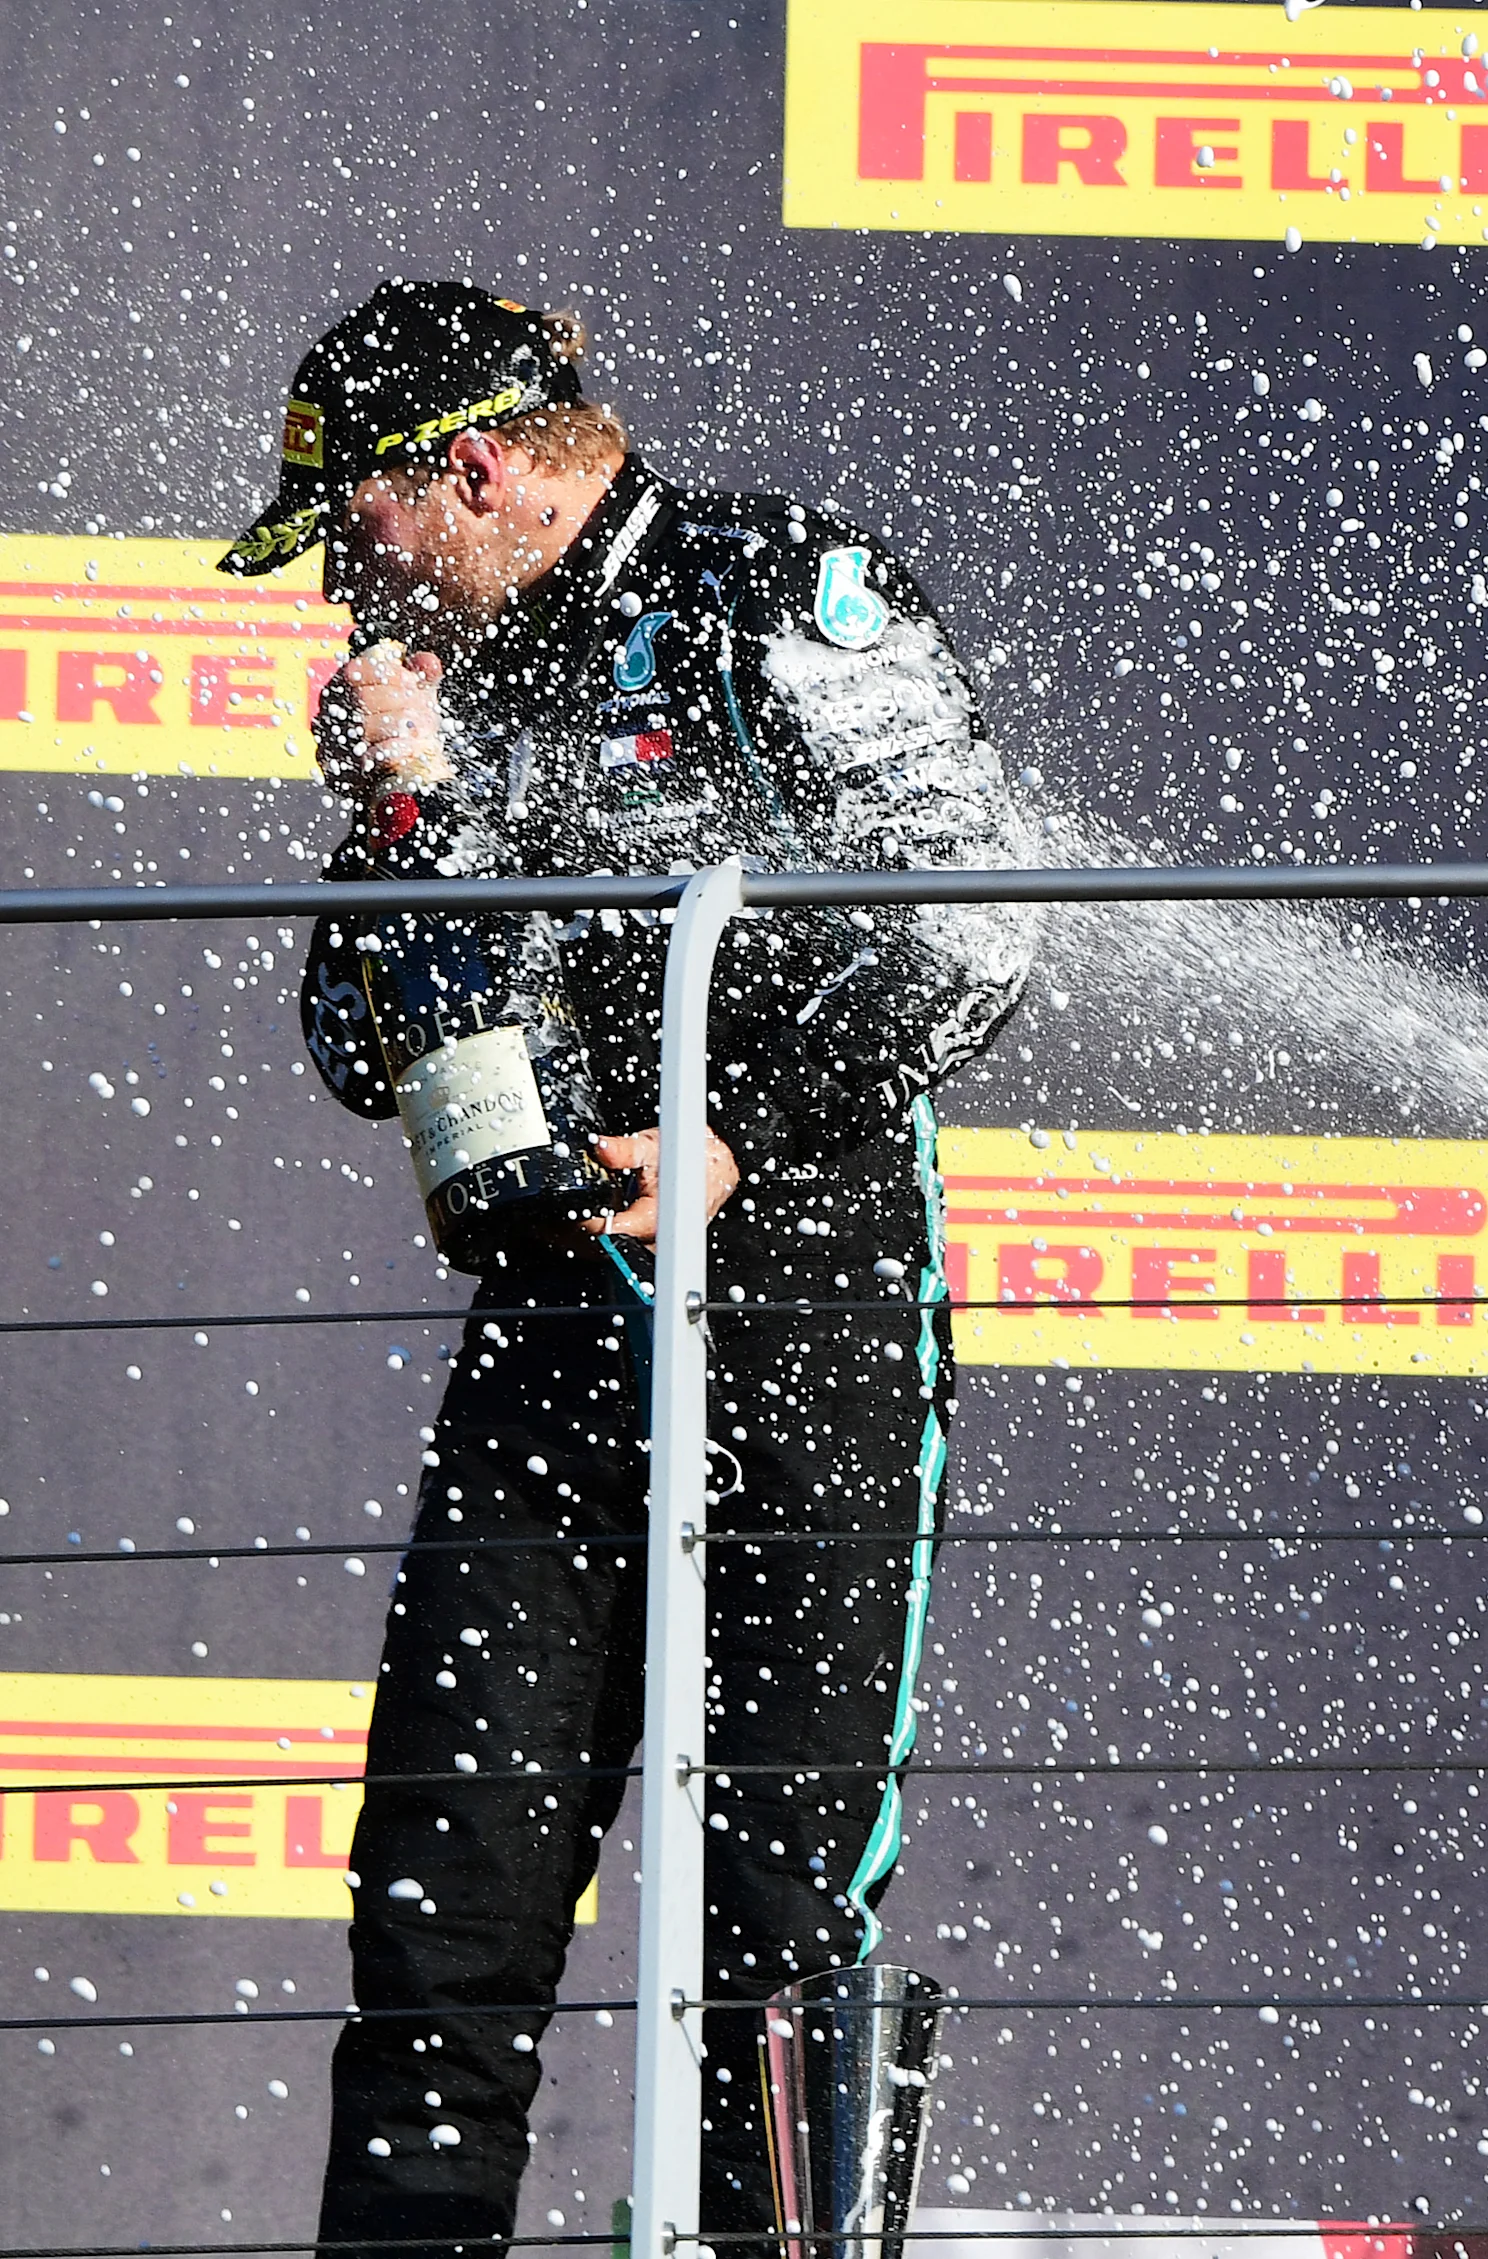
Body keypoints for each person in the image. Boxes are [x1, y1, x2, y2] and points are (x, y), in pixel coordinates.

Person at [226, 279, 1033, 2255]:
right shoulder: (440, 685)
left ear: (473, 468)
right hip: (554, 1360)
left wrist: (729, 1130)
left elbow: (980, 928)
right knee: (444, 1913)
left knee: (772, 1937)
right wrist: (398, 814)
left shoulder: (783, 590)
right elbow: (362, 1048)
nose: (344, 581)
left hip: (810, 1340)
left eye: (360, 526)